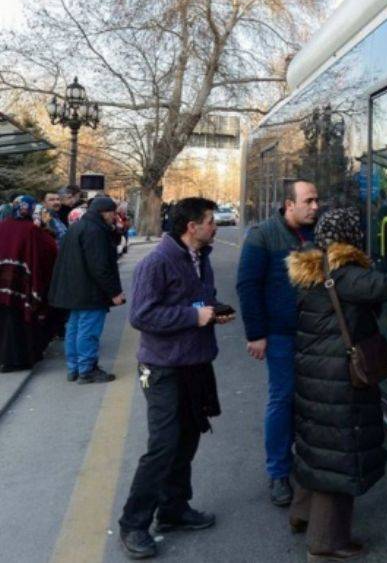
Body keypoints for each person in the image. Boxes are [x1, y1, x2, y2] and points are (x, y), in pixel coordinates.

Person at [286, 208, 387, 560]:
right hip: (339, 379)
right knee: (339, 458)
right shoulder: (346, 275)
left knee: (317, 450)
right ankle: (325, 544)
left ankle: (301, 514)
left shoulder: (314, 269)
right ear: (350, 237)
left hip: (316, 375)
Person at [118, 197, 233, 560]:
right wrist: (192, 317)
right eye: (211, 221)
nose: (216, 226)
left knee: (187, 437)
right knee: (164, 445)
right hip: (163, 367)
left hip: (195, 363)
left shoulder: (202, 257)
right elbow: (142, 315)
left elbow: (199, 301)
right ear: (191, 226)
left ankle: (173, 509)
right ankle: (133, 523)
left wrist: (214, 313)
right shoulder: (156, 262)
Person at [236, 179, 319, 507]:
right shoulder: (263, 235)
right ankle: (278, 472)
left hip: (315, 334)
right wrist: (256, 334)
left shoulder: (317, 234)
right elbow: (247, 285)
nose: (315, 207)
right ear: (289, 203)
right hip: (281, 335)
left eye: (317, 201)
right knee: (282, 400)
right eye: (309, 201)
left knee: (312, 401)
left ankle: (308, 465)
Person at [47, 195, 125, 383]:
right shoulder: (95, 231)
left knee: (74, 328)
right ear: (104, 212)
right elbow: (100, 266)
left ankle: (74, 368)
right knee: (88, 332)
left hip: (75, 289)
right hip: (90, 291)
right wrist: (114, 292)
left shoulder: (77, 227)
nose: (114, 217)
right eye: (113, 213)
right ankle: (87, 369)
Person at [0, 196, 58, 372]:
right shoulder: (32, 230)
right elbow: (50, 250)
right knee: (19, 322)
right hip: (23, 285)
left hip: (3, 283)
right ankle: (18, 360)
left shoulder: (2, 227)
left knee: (4, 319)